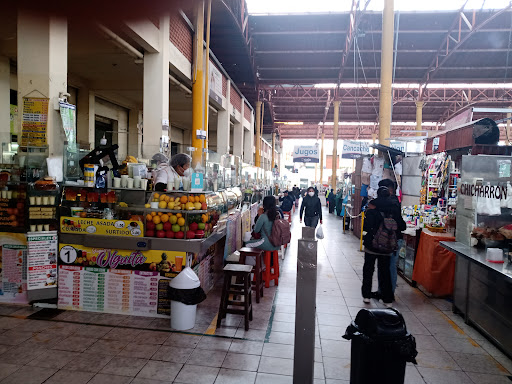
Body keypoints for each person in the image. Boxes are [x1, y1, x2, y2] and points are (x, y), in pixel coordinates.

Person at [362, 186, 406, 307]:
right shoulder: (395, 208)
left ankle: (366, 295)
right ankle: (387, 299)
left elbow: (366, 226)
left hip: (371, 246)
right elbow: (402, 226)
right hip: (386, 247)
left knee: (368, 270)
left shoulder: (372, 207)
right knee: (385, 272)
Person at [377, 179, 402, 297]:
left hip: (392, 239)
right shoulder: (390, 201)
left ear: (389, 190)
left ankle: (389, 293)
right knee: (383, 266)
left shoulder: (392, 203)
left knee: (390, 266)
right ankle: (382, 291)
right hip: (386, 239)